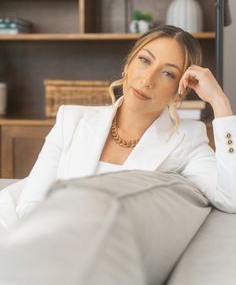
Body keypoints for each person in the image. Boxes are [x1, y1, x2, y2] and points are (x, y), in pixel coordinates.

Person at [0, 24, 235, 234]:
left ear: (179, 90)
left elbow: (230, 198)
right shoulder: (71, 119)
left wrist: (219, 102)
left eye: (167, 73)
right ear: (128, 64)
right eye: (144, 60)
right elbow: (31, 204)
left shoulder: (186, 140)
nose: (147, 79)